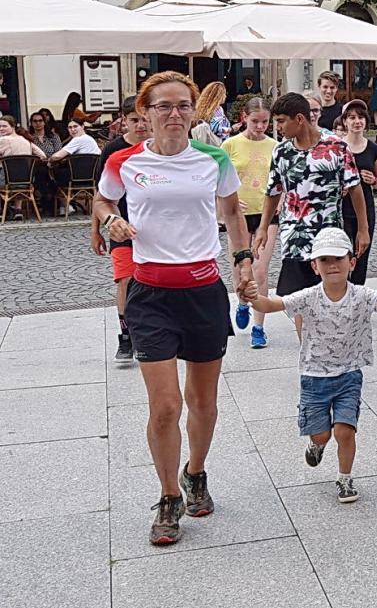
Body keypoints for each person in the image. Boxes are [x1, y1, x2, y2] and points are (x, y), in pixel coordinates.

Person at [93, 70, 253, 546]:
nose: (175, 114)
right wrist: (111, 221)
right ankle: (168, 496)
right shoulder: (124, 161)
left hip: (203, 291)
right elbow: (101, 201)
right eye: (163, 106)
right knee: (166, 406)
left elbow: (232, 215)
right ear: (145, 113)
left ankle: (195, 472)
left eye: (183, 105)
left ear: (194, 109)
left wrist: (243, 263)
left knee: (203, 402)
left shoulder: (214, 158)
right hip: (150, 295)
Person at [242, 227, 377, 502]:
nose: (332, 265)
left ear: (352, 262)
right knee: (322, 434)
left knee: (345, 431)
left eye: (338, 258)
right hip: (314, 377)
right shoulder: (308, 296)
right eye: (324, 260)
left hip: (349, 375)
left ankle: (345, 478)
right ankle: (316, 444)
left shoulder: (362, 295)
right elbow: (271, 304)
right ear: (314, 266)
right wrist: (252, 296)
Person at [253, 93, 369, 341]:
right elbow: (273, 192)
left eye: (282, 121)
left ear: (299, 119)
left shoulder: (336, 147)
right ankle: (307, 346)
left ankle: (332, 342)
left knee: (331, 293)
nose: (279, 127)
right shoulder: (281, 152)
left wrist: (363, 228)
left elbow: (355, 188)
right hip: (294, 236)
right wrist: (263, 228)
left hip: (328, 236)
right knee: (299, 297)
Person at [91, 97, 149, 361]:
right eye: (134, 119)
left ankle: (148, 330)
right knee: (125, 279)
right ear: (123, 120)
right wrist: (97, 230)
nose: (140, 124)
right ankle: (125, 334)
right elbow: (100, 194)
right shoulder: (114, 151)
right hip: (120, 227)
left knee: (149, 280)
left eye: (144, 118)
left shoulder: (161, 148)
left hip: (151, 230)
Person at [222, 97, 279, 349]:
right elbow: (218, 181)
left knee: (260, 270)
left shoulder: (275, 146)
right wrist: (226, 205)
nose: (260, 126)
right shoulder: (230, 145)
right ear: (244, 118)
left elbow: (280, 180)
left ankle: (259, 326)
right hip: (238, 214)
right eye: (255, 121)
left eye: (265, 122)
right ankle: (243, 301)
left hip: (267, 214)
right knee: (239, 269)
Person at [341, 100, 377, 283]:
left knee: (361, 254)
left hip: (365, 208)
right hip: (342, 207)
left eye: (360, 117)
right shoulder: (338, 147)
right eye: (352, 118)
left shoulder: (373, 149)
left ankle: (357, 293)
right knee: (342, 253)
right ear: (345, 122)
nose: (356, 121)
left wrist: (373, 180)